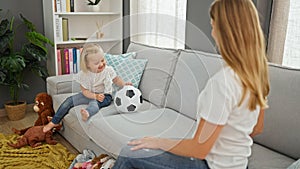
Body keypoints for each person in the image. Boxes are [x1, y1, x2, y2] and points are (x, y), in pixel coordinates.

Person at [112, 0, 270, 168]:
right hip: (238, 164)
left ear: (224, 31)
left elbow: (199, 149)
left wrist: (159, 142)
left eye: (213, 25)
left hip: (209, 165)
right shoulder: (256, 74)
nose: (212, 32)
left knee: (130, 152)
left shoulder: (223, 83)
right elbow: (256, 128)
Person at [43, 43, 131, 133]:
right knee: (69, 101)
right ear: (87, 65)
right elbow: (84, 91)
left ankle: (87, 113)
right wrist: (94, 96)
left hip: (104, 96)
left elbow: (116, 80)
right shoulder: (84, 75)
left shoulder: (108, 70)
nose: (101, 64)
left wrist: (124, 84)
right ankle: (54, 122)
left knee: (94, 104)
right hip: (88, 94)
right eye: (97, 63)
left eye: (103, 60)